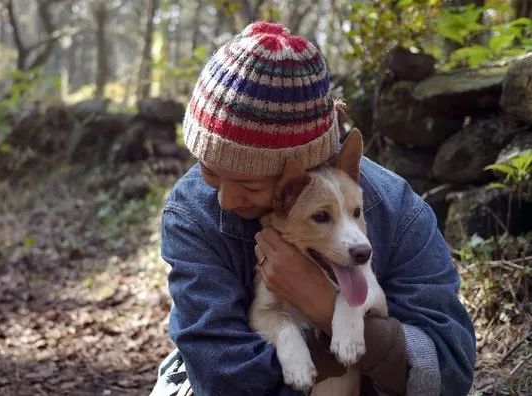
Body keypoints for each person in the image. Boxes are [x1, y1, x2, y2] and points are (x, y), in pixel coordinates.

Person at [150, 21, 476, 396]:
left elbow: (449, 369)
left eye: (250, 184)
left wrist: (325, 307)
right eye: (209, 170)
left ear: (298, 175)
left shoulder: (394, 206)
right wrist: (326, 358)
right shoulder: (193, 210)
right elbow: (220, 370)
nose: (223, 199)